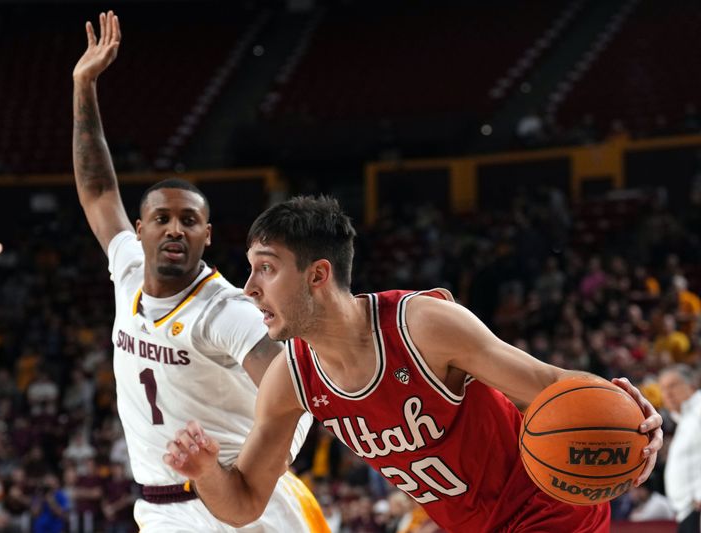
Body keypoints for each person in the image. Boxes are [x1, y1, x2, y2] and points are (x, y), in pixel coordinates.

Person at [166, 196, 664, 532]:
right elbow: (245, 502)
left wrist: (631, 418)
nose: (248, 288)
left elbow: (550, 384)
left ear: (318, 274)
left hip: (549, 506)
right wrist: (207, 471)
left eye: (266, 269)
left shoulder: (422, 325)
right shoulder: (290, 379)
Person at [71, 11, 325, 532]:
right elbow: (98, 191)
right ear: (139, 229)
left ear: (206, 235)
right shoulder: (126, 269)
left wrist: (242, 480)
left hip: (232, 508)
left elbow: (292, 396)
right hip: (159, 505)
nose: (173, 230)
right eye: (161, 219)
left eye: (189, 221)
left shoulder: (224, 310)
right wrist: (83, 85)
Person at [658, 364, 701, 532]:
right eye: (662, 388)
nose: (667, 394)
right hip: (687, 511)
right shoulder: (686, 418)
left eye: (673, 386)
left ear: (691, 385)